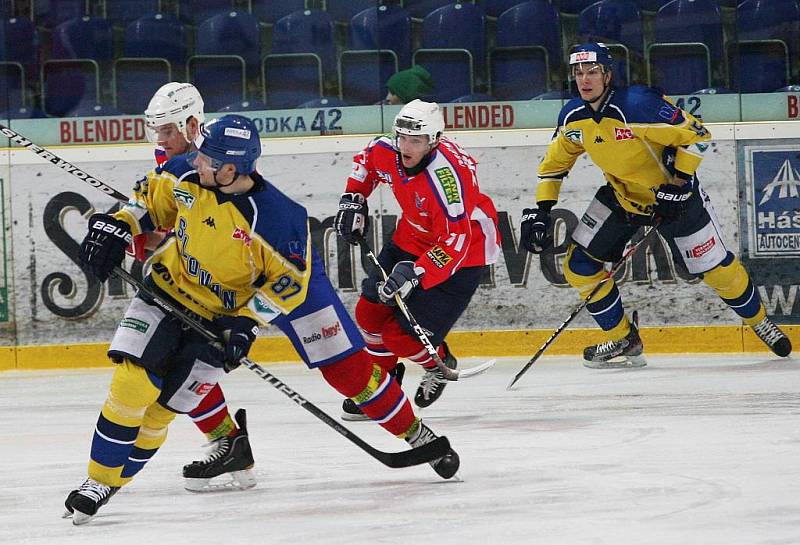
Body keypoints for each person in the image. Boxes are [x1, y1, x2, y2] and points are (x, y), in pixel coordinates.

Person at [64, 114, 459, 525]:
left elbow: (287, 287)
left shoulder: (278, 221)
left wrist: (248, 323)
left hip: (264, 298)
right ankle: (122, 473)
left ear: (231, 168)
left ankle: (415, 434)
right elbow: (146, 202)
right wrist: (117, 226)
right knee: (142, 380)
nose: (195, 160)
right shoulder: (186, 172)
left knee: (348, 373)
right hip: (182, 293)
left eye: (206, 158)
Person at [520, 43, 792, 369]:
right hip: (623, 198)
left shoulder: (638, 105)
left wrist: (679, 183)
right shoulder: (573, 118)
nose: (585, 79)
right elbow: (553, 166)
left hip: (674, 199)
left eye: (592, 71)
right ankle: (625, 339)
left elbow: (697, 134)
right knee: (580, 266)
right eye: (578, 73)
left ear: (607, 75)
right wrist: (542, 210)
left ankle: (760, 321)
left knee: (717, 269)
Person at [334, 99, 501, 420]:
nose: (406, 147)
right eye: (402, 138)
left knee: (400, 337)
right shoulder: (388, 150)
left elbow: (456, 239)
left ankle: (439, 361)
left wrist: (418, 272)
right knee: (368, 314)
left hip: (463, 255)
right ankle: (380, 386)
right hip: (411, 238)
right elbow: (366, 162)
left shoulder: (449, 181)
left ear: (433, 140)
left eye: (416, 140)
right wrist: (353, 199)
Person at [132, 82, 257, 493]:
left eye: (167, 130)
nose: (160, 139)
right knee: (179, 365)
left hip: (218, 283)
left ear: (191, 123)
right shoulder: (168, 154)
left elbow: (232, 229)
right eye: (156, 130)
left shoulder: (220, 157)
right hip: (183, 277)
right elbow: (162, 214)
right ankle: (228, 441)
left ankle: (228, 440)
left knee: (187, 363)